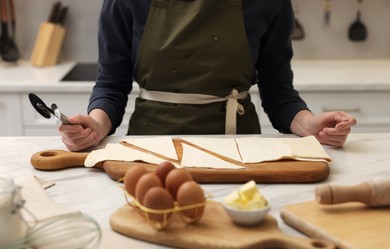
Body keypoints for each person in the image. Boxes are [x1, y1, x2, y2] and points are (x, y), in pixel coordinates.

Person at [59, 0, 356, 152]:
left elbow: (278, 90)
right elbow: (112, 84)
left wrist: (309, 124)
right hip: (150, 148)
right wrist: (95, 126)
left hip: (240, 148)